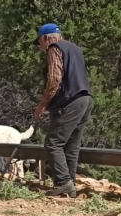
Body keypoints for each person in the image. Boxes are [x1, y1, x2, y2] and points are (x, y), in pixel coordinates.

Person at [33, 23, 93, 198]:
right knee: (71, 146)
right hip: (86, 99)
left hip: (70, 101)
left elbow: (54, 79)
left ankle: (63, 182)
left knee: (53, 143)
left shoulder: (54, 48)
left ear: (45, 38)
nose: (40, 48)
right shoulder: (76, 49)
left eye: (39, 43)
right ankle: (70, 184)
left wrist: (42, 105)